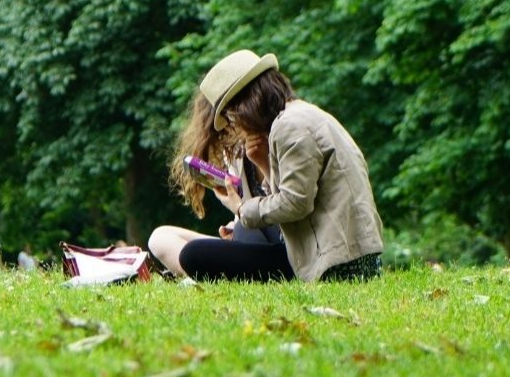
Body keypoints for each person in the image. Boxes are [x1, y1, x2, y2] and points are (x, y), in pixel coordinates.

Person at [148, 50, 383, 282]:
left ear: (246, 103)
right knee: (237, 232)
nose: (234, 125)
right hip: (336, 254)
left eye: (231, 116)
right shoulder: (297, 117)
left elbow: (295, 204)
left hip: (338, 264)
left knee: (194, 255)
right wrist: (262, 162)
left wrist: (241, 209)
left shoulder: (290, 126)